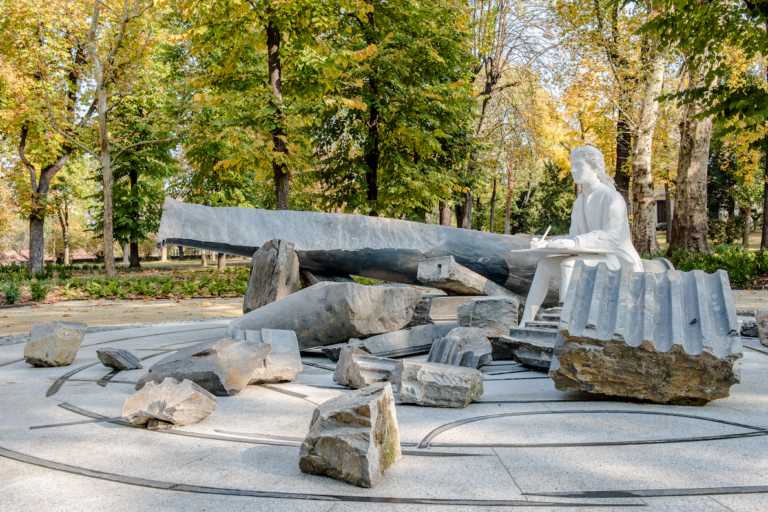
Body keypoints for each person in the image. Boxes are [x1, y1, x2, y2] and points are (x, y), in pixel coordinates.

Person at [518, 146, 644, 327]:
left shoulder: (612, 198)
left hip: (616, 258)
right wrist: (549, 242)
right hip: (593, 256)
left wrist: (574, 242)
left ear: (595, 167)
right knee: (544, 265)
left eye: (578, 165)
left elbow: (612, 238)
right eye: (572, 165)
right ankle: (525, 323)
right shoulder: (580, 201)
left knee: (569, 264)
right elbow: (575, 235)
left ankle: (565, 319)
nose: (573, 170)